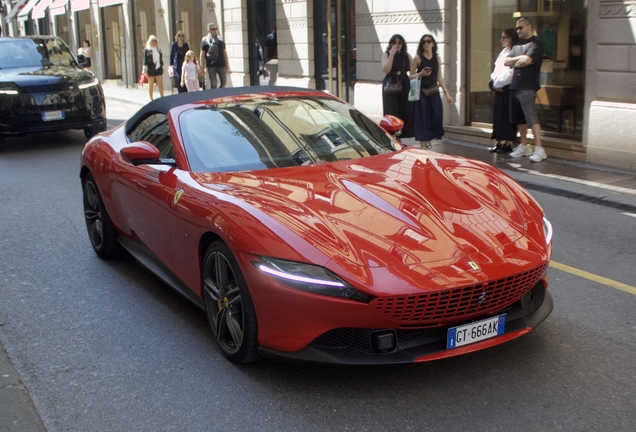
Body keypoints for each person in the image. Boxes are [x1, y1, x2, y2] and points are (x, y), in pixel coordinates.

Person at [506, 17, 547, 162]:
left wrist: (519, 60)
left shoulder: (536, 43)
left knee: (531, 117)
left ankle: (539, 148)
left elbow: (527, 61)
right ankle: (524, 145)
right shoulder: (517, 44)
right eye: (517, 28)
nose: (518, 31)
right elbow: (506, 61)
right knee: (519, 118)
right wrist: (520, 59)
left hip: (528, 86)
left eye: (520, 27)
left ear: (529, 26)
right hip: (515, 85)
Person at [410, 34, 453, 148]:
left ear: (433, 44)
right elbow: (411, 76)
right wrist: (421, 74)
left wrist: (447, 94)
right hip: (421, 93)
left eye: (428, 41)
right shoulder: (417, 58)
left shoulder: (437, 58)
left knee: (436, 116)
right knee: (422, 118)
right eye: (424, 42)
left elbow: (440, 77)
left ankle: (428, 139)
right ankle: (422, 145)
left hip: (433, 92)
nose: (426, 44)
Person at [489, 28, 519, 153]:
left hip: (508, 88)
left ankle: (507, 143)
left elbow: (510, 73)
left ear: (510, 38)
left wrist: (499, 83)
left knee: (507, 116)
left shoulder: (515, 51)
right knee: (498, 115)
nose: (501, 40)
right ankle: (498, 142)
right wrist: (494, 83)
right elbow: (497, 69)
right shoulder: (503, 52)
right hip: (498, 87)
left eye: (504, 37)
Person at [381, 34, 414, 138]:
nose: (397, 45)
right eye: (394, 42)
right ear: (391, 44)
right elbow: (386, 69)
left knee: (404, 109)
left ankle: (402, 135)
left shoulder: (407, 56)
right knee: (391, 109)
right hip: (390, 84)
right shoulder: (386, 54)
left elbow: (413, 72)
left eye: (399, 43)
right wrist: (392, 54)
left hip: (404, 83)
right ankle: (392, 135)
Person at [200, 23, 230, 89]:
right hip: (211, 65)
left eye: (215, 29)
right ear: (209, 30)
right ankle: (214, 97)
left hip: (221, 64)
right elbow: (202, 54)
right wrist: (202, 67)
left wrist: (227, 64)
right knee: (213, 84)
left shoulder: (220, 39)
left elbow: (224, 52)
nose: (214, 30)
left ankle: (219, 93)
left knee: (224, 82)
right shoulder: (205, 40)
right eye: (213, 29)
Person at [143, 35, 164, 100]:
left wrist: (162, 67)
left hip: (158, 68)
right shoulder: (147, 50)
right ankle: (151, 99)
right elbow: (145, 60)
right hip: (151, 68)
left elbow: (160, 59)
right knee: (151, 84)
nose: (154, 42)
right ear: (150, 42)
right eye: (152, 41)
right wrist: (144, 69)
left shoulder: (158, 50)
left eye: (155, 41)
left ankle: (162, 97)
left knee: (160, 84)